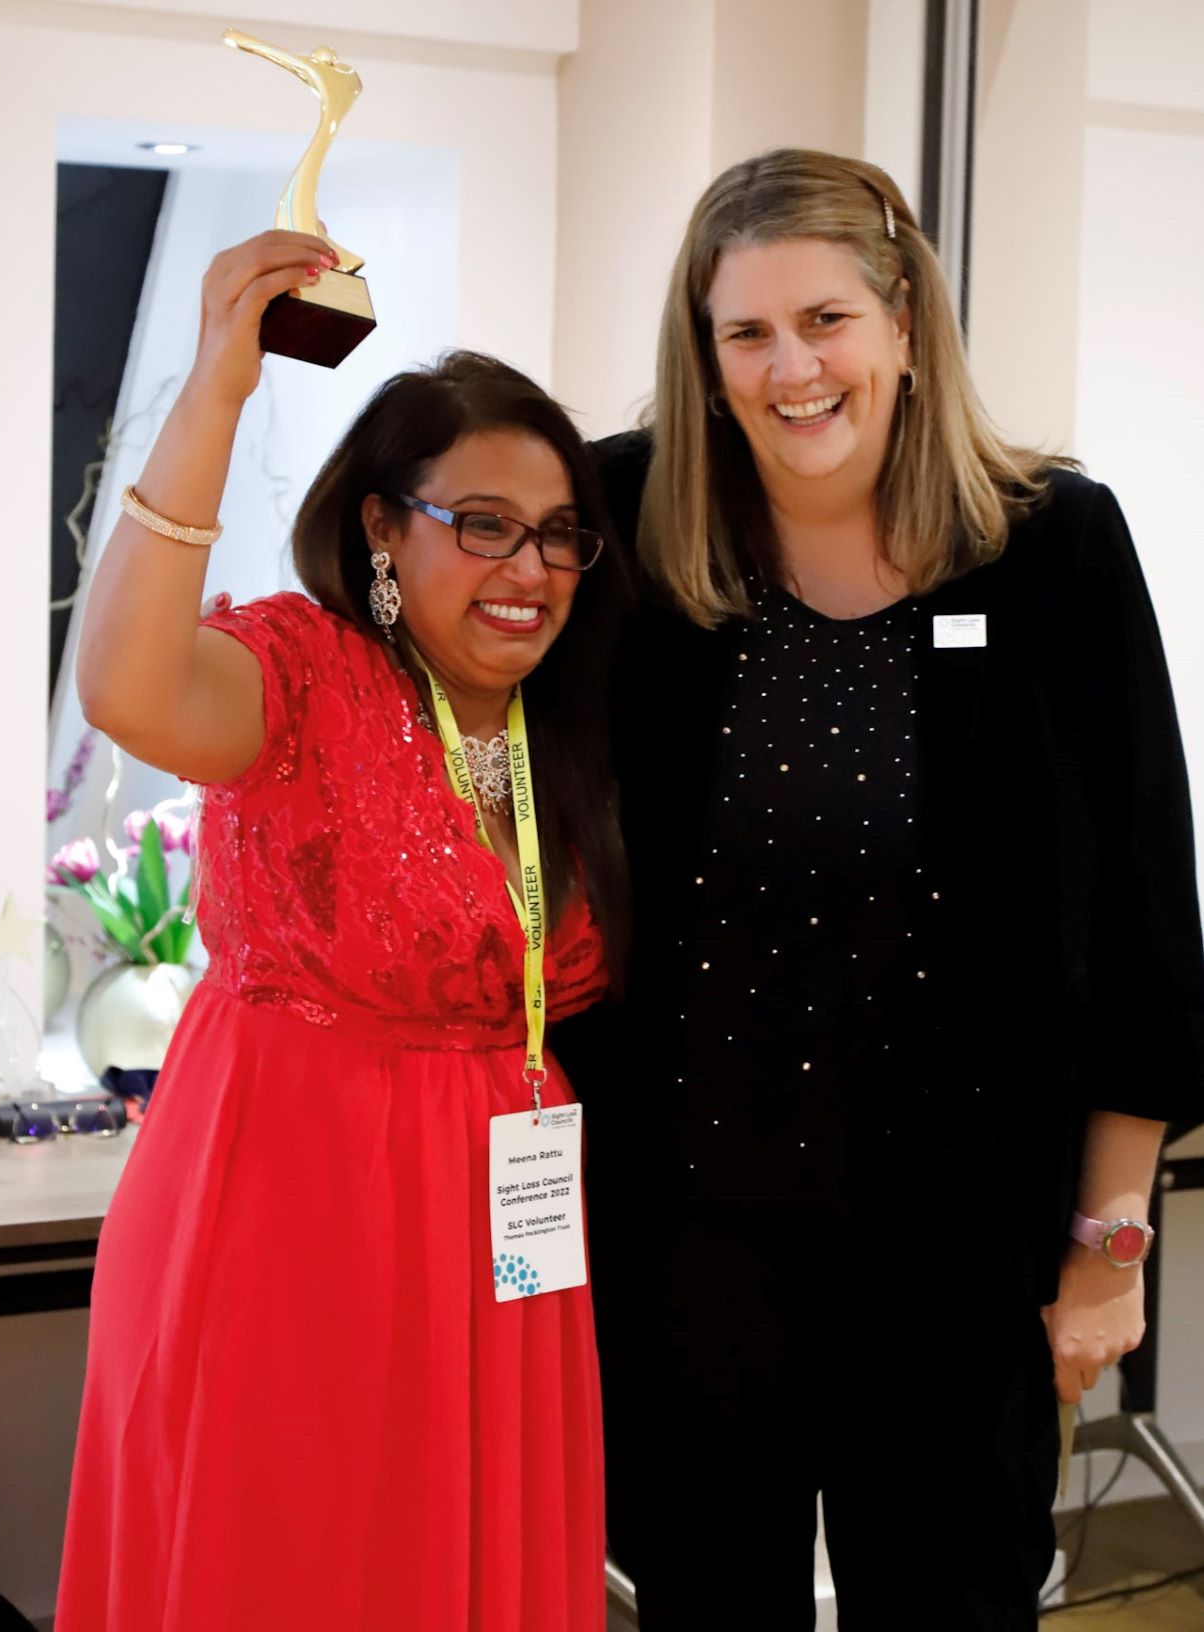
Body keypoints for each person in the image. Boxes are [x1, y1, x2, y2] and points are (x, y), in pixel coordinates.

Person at [557, 149, 1204, 1629]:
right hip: (688, 1246)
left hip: (958, 1248)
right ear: (703, 352)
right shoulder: (622, 521)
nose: (793, 369)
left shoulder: (1054, 547)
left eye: (828, 319)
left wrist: (1110, 1247)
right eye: (747, 333)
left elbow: (1144, 924)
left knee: (956, 1603)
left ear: (905, 320)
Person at [54, 229, 627, 1632]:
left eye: (558, 534)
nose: (528, 566)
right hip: (292, 1232)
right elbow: (128, 688)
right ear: (382, 524)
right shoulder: (303, 674)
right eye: (481, 521)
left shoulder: (564, 729)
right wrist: (215, 392)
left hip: (501, 1254)